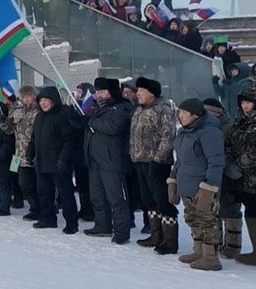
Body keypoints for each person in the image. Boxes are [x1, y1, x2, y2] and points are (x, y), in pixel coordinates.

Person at [169, 98, 225, 270]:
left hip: (203, 187)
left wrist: (209, 187)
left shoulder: (209, 132)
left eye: (184, 114)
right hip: (187, 184)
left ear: (195, 115)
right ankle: (199, 250)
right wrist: (173, 180)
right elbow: (179, 160)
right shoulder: (183, 133)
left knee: (208, 222)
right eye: (179, 113)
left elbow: (216, 161)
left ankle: (211, 257)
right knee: (193, 219)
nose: (180, 117)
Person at [129, 77, 179, 254]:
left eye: (141, 91)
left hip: (157, 163)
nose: (138, 94)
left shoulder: (163, 110)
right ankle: (156, 235)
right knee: (148, 201)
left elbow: (168, 137)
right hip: (140, 161)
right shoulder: (138, 110)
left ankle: (170, 240)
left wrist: (159, 159)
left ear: (152, 93)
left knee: (163, 201)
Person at [84, 78, 134, 244]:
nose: (99, 95)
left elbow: (113, 127)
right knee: (97, 195)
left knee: (117, 197)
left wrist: (93, 121)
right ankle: (102, 225)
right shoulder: (96, 109)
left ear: (112, 92)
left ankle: (121, 231)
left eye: (103, 92)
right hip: (95, 160)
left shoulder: (122, 107)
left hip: (112, 160)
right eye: (97, 92)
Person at [27, 87, 81, 234]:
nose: (43, 103)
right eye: (41, 100)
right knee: (44, 192)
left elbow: (69, 140)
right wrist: (30, 151)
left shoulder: (62, 115)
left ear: (54, 101)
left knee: (66, 194)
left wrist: (63, 158)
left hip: (59, 163)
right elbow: (33, 137)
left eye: (46, 100)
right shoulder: (39, 117)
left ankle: (72, 223)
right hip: (42, 162)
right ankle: (48, 218)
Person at [0, 86, 41, 221]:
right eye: (24, 96)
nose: (26, 99)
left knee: (39, 184)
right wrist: (2, 122)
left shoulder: (39, 111)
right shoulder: (17, 112)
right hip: (19, 154)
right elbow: (10, 131)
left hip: (36, 154)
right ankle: (34, 207)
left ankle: (42, 208)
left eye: (29, 96)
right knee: (24, 183)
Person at [225, 89, 256, 265]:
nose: (245, 106)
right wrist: (230, 161)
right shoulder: (239, 122)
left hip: (250, 174)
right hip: (243, 180)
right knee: (250, 211)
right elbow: (229, 142)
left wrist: (238, 164)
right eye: (243, 102)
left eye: (249, 102)